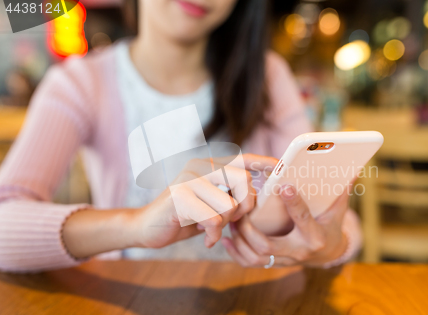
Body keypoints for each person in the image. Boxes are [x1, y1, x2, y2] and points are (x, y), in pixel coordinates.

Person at [0, 0, 361, 273]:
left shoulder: (267, 76)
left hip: (254, 303)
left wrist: (330, 246)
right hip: (126, 306)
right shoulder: (81, 83)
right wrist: (137, 225)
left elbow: (339, 225)